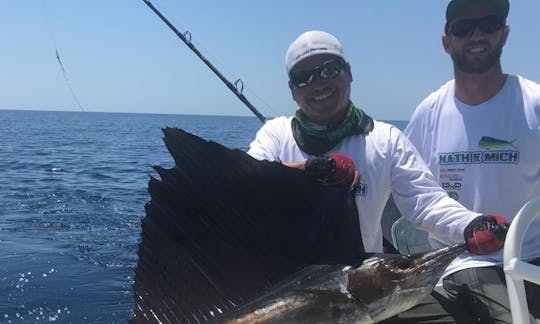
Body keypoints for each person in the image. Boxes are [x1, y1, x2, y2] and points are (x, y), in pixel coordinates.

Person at [248, 29, 509, 323]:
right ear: (292, 89)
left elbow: (426, 203)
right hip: (275, 295)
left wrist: (470, 224)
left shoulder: (384, 140)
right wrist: (307, 169)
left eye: (328, 70)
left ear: (348, 72)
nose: (318, 83)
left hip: (365, 293)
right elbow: (245, 182)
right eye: (304, 76)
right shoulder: (276, 134)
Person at [404, 0, 540, 322]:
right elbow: (404, 187)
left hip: (532, 254)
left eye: (489, 25)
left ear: (504, 34)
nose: (477, 35)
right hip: (465, 262)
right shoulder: (428, 113)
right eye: (464, 29)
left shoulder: (534, 104)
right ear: (446, 42)